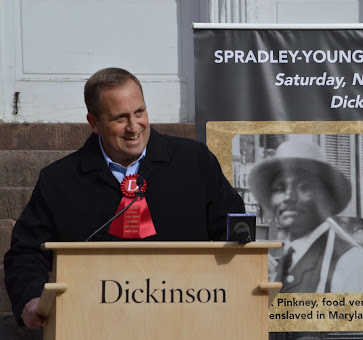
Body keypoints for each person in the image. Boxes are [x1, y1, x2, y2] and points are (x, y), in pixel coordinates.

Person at [3, 67, 245, 328]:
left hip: (187, 317)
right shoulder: (59, 180)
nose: (134, 127)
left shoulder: (195, 161)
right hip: (93, 321)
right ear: (94, 123)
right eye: (120, 118)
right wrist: (30, 298)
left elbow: (233, 230)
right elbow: (26, 251)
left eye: (139, 112)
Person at [248, 141, 363, 293]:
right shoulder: (283, 264)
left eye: (303, 187)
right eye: (279, 189)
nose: (288, 197)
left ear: (326, 197)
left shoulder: (354, 266)